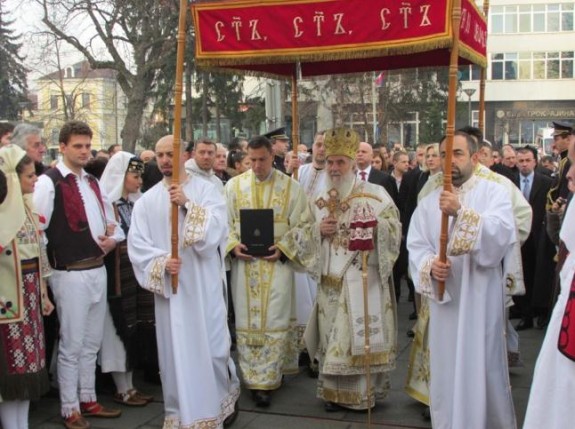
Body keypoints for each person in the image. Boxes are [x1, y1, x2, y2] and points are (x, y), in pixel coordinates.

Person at [407, 131, 519, 429]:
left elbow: (501, 235)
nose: (449, 161)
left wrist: (461, 212)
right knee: (446, 367)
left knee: (481, 366)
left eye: (457, 154)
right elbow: (416, 245)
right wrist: (431, 267)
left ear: (475, 156)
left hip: (480, 296)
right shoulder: (429, 202)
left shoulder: (493, 193)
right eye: (444, 155)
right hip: (446, 302)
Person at [128, 135, 240, 428]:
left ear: (183, 155)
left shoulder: (206, 191)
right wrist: (162, 262)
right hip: (171, 293)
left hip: (203, 287)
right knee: (175, 351)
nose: (164, 160)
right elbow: (137, 246)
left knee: (212, 347)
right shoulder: (147, 201)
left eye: (170, 153)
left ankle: (217, 404)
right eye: (160, 155)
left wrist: (189, 205)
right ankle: (181, 413)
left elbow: (216, 232)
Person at [34, 120, 124, 429]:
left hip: (96, 268)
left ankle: (88, 398)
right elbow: (38, 231)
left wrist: (113, 238)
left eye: (87, 145)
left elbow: (114, 224)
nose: (85, 151)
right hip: (69, 272)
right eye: (78, 146)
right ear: (62, 147)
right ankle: (69, 407)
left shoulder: (93, 182)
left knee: (92, 342)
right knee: (71, 343)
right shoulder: (49, 182)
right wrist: (47, 277)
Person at [304, 128, 400, 411]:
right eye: (330, 162)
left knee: (354, 340)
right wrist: (317, 230)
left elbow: (394, 231)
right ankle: (332, 395)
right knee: (331, 339)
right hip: (329, 280)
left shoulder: (375, 195)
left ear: (353, 164)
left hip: (360, 279)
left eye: (340, 162)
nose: (334, 168)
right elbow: (301, 233)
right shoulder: (317, 198)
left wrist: (374, 229)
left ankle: (361, 396)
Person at [225, 135, 317, 407]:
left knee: (274, 319)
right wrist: (232, 245)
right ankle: (254, 380)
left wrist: (284, 248)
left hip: (276, 265)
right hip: (245, 268)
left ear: (271, 157)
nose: (256, 165)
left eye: (261, 160)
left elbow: (304, 225)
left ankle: (270, 376)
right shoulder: (232, 187)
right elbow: (222, 223)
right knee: (247, 322)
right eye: (251, 160)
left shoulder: (291, 188)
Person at [0, 145, 54, 429]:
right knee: (12, 371)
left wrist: (43, 292)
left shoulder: (28, 209)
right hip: (9, 306)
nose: (35, 180)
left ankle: (21, 424)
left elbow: (38, 253)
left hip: (29, 300)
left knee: (28, 367)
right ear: (11, 177)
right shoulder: (2, 215)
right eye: (30, 176)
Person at [98, 152, 153, 407]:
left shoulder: (136, 203)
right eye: (135, 175)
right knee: (117, 331)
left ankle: (130, 385)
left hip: (133, 275)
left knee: (134, 328)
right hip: (117, 278)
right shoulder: (107, 205)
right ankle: (121, 387)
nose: (139, 180)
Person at [513, 147, 553, 331]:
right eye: (521, 161)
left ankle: (542, 313)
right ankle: (526, 315)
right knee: (524, 275)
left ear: (535, 161)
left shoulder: (546, 182)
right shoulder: (510, 183)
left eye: (528, 160)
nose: (524, 164)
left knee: (540, 275)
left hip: (539, 235)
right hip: (519, 237)